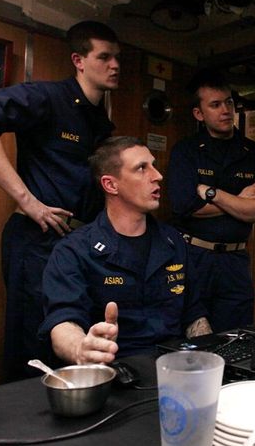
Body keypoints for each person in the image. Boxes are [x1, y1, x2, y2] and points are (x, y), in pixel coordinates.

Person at [0, 21, 121, 380]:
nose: (114, 65)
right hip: (38, 239)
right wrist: (27, 200)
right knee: (32, 347)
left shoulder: (100, 124)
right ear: (78, 60)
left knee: (72, 343)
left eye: (116, 58)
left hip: (80, 244)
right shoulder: (48, 97)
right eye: (104, 57)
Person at [39, 136, 212, 364]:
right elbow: (63, 322)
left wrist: (211, 364)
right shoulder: (74, 250)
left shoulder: (173, 241)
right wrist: (81, 349)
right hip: (115, 370)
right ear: (111, 185)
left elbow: (194, 316)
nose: (157, 176)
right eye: (142, 168)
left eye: (153, 165)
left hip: (174, 369)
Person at [167, 69, 255, 333]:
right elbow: (185, 207)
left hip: (235, 261)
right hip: (194, 257)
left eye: (229, 102)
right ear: (199, 114)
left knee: (236, 339)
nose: (226, 110)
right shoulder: (186, 151)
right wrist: (240, 201)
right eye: (215, 105)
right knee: (191, 339)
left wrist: (213, 194)